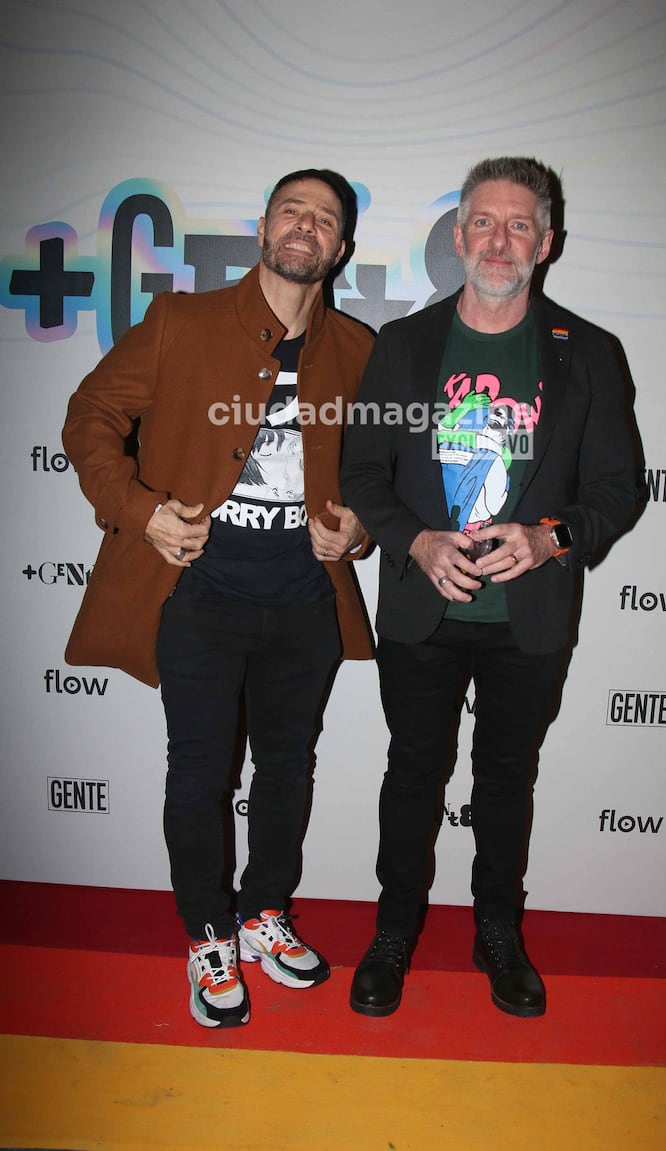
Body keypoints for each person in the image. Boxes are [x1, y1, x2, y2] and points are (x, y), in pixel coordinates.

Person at [62, 168, 374, 1028]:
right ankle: (208, 933)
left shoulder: (358, 349)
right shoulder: (181, 322)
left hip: (305, 597)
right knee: (200, 771)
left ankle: (263, 913)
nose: (306, 227)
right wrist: (140, 511)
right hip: (198, 591)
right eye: (292, 212)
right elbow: (89, 416)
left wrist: (359, 530)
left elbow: (378, 478)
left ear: (340, 247)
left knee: (287, 766)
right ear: (263, 229)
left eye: (324, 219)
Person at [340, 156, 639, 1018]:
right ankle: (393, 930)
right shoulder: (403, 345)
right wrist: (414, 539)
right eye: (482, 221)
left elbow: (618, 488)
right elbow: (362, 469)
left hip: (528, 616)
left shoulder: (588, 352)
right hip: (423, 608)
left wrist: (550, 538)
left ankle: (497, 933)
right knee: (412, 773)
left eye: (518, 225)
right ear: (458, 233)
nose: (498, 240)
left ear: (545, 242)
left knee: (506, 777)